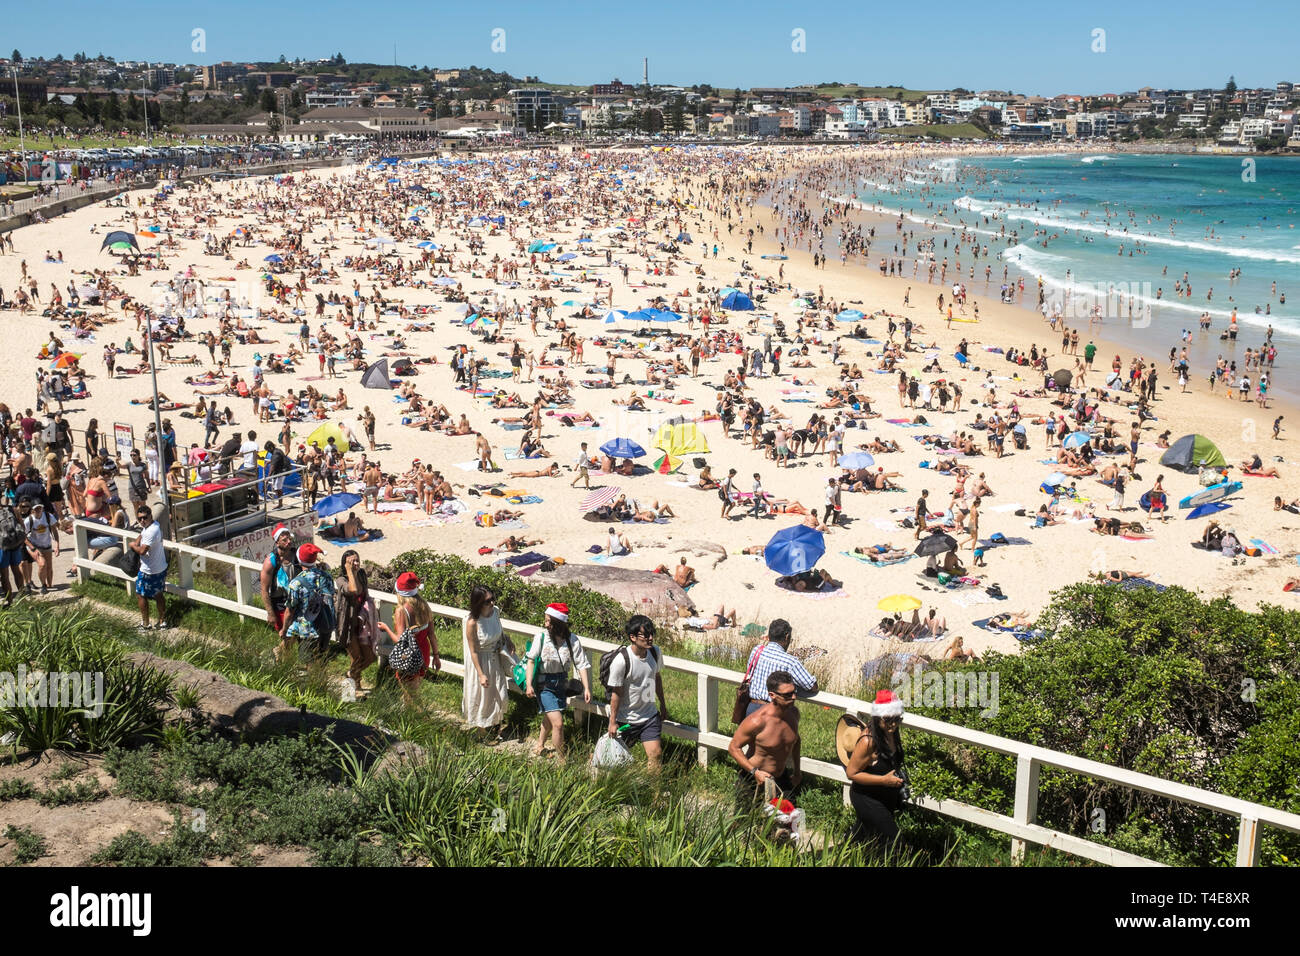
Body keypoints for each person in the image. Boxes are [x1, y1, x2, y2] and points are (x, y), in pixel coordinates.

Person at [523, 602, 593, 762]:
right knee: (558, 723)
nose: (545, 624)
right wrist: (528, 684)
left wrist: (587, 688)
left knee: (549, 717)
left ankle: (539, 745)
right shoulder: (541, 637)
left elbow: (581, 664)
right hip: (544, 684)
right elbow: (531, 660)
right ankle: (562, 759)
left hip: (561, 683)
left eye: (548, 621)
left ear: (557, 623)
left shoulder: (572, 640)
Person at [728, 670, 803, 812]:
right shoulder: (757, 721)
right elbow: (733, 748)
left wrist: (797, 771)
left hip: (781, 778)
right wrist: (755, 772)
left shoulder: (794, 714)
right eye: (787, 695)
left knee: (787, 823)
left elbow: (796, 741)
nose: (793, 697)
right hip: (753, 779)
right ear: (772, 695)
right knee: (744, 825)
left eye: (794, 692)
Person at [845, 690, 908, 851]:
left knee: (863, 837)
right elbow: (851, 773)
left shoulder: (891, 732)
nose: (893, 724)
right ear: (877, 717)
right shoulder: (868, 741)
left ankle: (844, 856)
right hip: (866, 796)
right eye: (888, 720)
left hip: (885, 795)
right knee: (894, 842)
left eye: (897, 719)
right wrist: (883, 780)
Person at [606, 615, 669, 773]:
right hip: (625, 719)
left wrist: (663, 704)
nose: (650, 638)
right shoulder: (622, 661)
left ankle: (654, 795)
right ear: (632, 637)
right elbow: (616, 693)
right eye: (646, 635)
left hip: (649, 716)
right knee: (615, 760)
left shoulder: (655, 652)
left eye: (652, 634)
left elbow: (657, 677)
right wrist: (612, 722)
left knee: (655, 754)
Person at [378, 572, 440, 701]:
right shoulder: (424, 606)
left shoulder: (401, 610)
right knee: (414, 691)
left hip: (408, 657)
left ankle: (415, 719)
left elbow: (400, 640)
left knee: (410, 696)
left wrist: (386, 628)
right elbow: (432, 635)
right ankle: (415, 718)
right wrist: (436, 656)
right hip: (423, 654)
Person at [462, 584, 513, 741]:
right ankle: (482, 732)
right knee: (482, 697)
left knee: (499, 693)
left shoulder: (495, 612)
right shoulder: (472, 622)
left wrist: (507, 640)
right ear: (478, 603)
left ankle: (494, 725)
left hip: (495, 657)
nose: (491, 603)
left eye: (492, 599)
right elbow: (473, 651)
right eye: (487, 601)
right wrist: (481, 674)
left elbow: (500, 630)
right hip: (481, 661)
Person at [741, 619, 818, 716]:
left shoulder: (756, 651)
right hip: (773, 711)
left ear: (769, 636)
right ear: (787, 637)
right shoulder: (790, 662)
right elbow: (812, 686)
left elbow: (751, 672)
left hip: (751, 707)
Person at [276, 542, 335, 663]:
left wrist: (284, 629)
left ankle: (280, 655)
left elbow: (289, 610)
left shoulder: (296, 583)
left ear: (299, 559)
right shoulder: (327, 578)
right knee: (321, 661)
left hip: (307, 630)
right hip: (324, 625)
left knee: (308, 663)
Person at [335, 549, 377, 699]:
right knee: (356, 657)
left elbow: (363, 592)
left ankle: (350, 675)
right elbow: (352, 589)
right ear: (345, 563)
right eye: (353, 561)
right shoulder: (341, 579)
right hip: (347, 625)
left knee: (370, 657)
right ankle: (354, 688)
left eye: (357, 560)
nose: (357, 564)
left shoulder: (361, 575)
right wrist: (349, 570)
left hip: (362, 623)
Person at [129, 504, 168, 630]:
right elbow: (143, 533)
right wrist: (138, 539)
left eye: (144, 518)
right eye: (139, 518)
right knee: (158, 594)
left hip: (148, 570)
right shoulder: (154, 525)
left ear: (150, 516)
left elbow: (142, 551)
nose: (142, 521)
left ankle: (145, 624)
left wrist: (132, 545)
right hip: (160, 567)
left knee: (141, 595)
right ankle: (162, 621)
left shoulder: (150, 531)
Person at [259, 524, 299, 633]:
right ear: (277, 542)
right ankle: (280, 650)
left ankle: (282, 650)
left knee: (296, 636)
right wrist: (270, 613)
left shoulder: (296, 555)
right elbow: (264, 589)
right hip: (280, 604)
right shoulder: (271, 561)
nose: (289, 542)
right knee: (286, 635)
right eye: (284, 540)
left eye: (289, 539)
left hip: (297, 601)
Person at [22, 501, 58, 593]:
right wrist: (33, 548)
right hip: (34, 545)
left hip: (46, 545)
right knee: (42, 564)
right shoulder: (28, 520)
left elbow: (54, 530)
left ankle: (49, 585)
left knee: (49, 567)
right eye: (36, 509)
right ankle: (43, 585)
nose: (38, 510)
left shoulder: (48, 516)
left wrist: (57, 545)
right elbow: (23, 537)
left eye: (40, 508)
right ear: (32, 510)